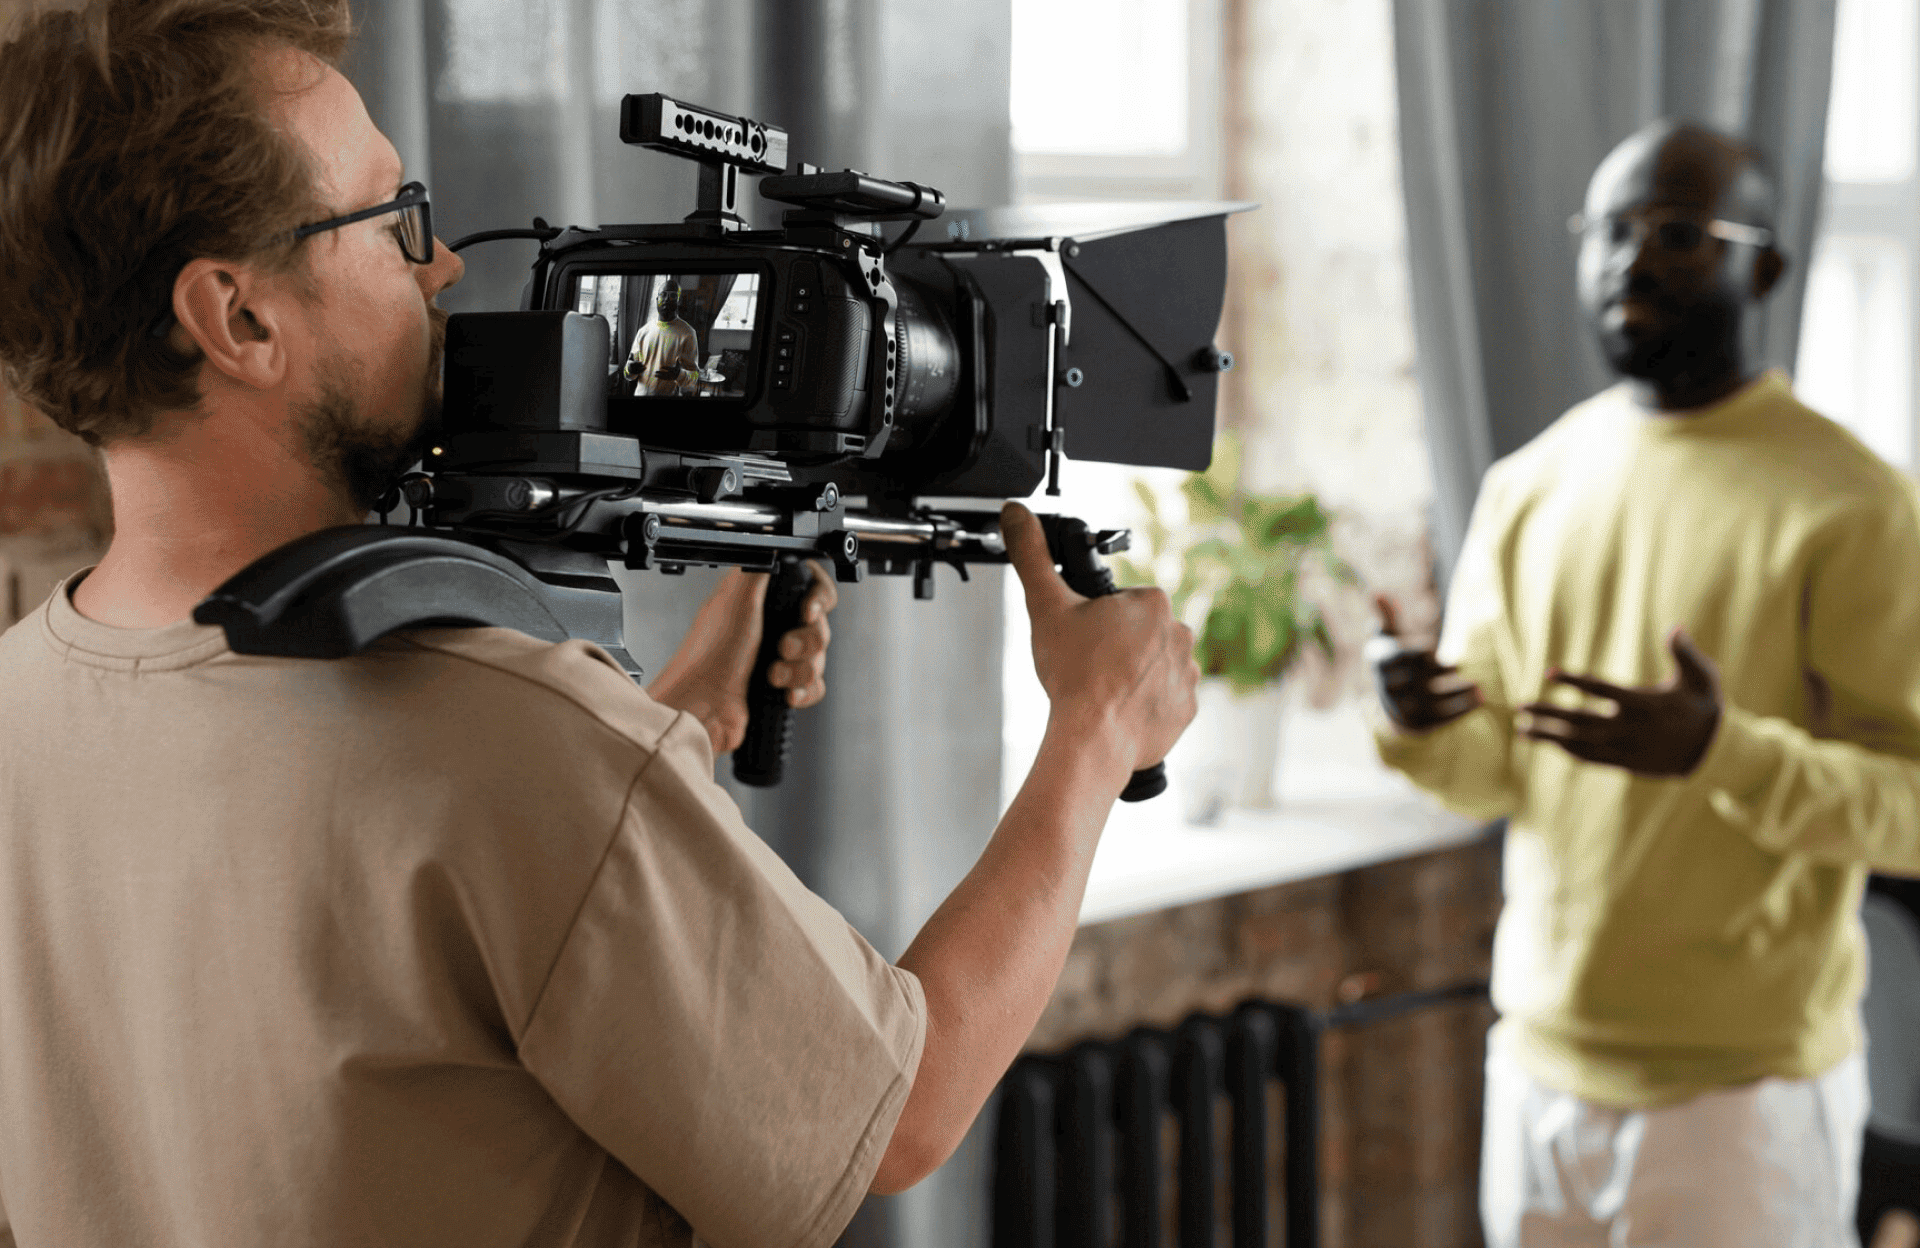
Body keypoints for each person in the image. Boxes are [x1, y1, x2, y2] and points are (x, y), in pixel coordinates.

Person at [0, 3, 1199, 1245]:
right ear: (239, 319)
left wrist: (665, 728)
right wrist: (1094, 735)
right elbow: (895, 1114)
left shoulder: (21, 713)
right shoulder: (503, 739)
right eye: (390, 220)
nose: (442, 265)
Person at [1372, 116, 1920, 1247]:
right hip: (1536, 1065)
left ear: (1762, 264)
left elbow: (1910, 810)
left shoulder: (1853, 502)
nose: (1630, 259)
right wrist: (1419, 721)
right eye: (1610, 230)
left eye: (1677, 232)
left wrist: (1722, 752)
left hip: (1744, 1102)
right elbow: (1492, 773)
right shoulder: (1529, 484)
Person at [625, 284, 702, 396]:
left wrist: (678, 375)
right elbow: (629, 374)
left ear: (679, 301)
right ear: (657, 300)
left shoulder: (688, 333)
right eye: (663, 294)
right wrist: (629, 370)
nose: (667, 299)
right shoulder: (643, 331)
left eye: (673, 296)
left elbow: (694, 378)